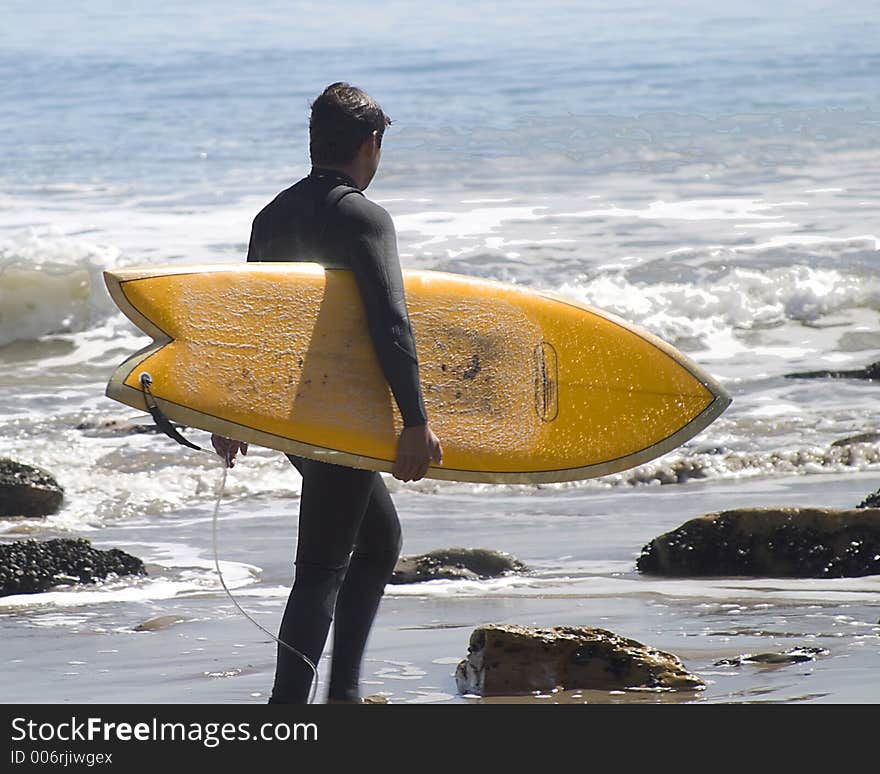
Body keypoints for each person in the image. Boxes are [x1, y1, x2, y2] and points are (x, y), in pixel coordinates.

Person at [210, 82, 442, 704]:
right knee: (321, 568)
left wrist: (232, 411)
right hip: (342, 416)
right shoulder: (362, 216)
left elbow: (253, 325)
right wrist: (414, 420)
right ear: (370, 144)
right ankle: (290, 710)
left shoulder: (272, 215)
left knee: (379, 541)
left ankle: (341, 694)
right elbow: (390, 321)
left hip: (294, 416)